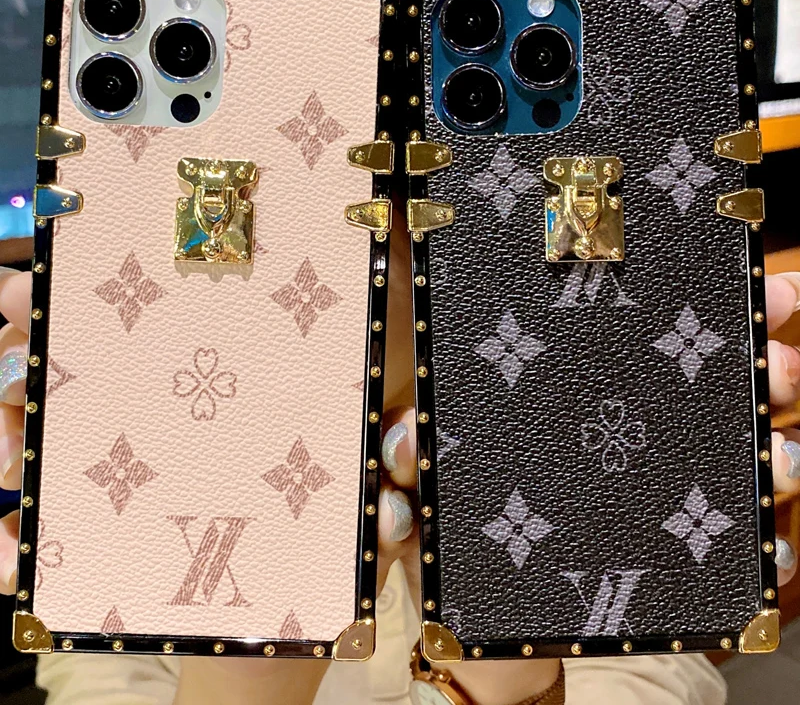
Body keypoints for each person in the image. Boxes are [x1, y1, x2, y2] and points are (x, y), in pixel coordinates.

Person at [0, 253, 798, 705]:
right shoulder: (147, 442)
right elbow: (100, 684)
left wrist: (502, 646)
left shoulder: (579, 403)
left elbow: (658, 679)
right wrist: (251, 644)